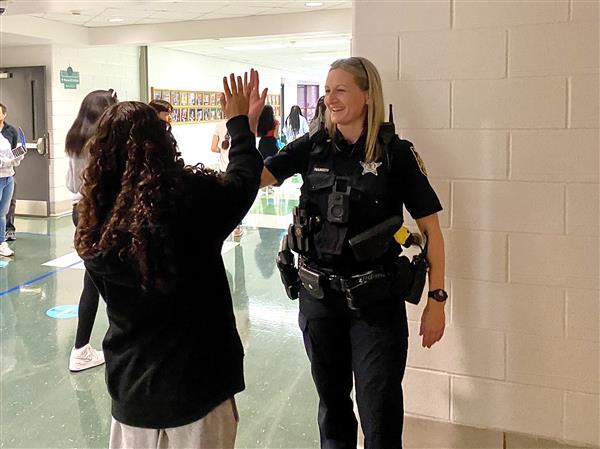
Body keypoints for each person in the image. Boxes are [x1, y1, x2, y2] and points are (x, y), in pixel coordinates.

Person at [260, 57, 447, 449]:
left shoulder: (395, 153)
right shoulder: (312, 147)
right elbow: (256, 177)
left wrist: (437, 299)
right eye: (327, 91)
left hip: (375, 305)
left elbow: (431, 230)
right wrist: (242, 132)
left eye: (340, 90)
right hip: (318, 300)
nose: (331, 98)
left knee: (378, 410)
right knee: (332, 408)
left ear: (367, 95)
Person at [74, 69, 267, 449]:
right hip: (199, 386)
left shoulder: (91, 217)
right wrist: (241, 125)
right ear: (162, 144)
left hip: (132, 393)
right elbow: (244, 181)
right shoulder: (189, 201)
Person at [66, 89, 119, 372]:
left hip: (81, 213)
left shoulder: (75, 141)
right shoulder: (106, 141)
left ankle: (81, 348)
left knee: (94, 279)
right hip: (105, 212)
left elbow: (72, 187)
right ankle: (118, 344)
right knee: (112, 280)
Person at [211, 121, 244, 239]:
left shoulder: (219, 125)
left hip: (222, 168)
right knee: (237, 199)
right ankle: (237, 227)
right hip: (235, 167)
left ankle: (223, 226)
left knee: (223, 198)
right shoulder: (242, 125)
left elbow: (213, 148)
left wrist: (223, 150)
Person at [0, 102, 23, 257]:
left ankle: (2, 243)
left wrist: (18, 157)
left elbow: (13, 153)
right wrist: (7, 161)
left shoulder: (10, 131)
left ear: (4, 114)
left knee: (3, 212)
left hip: (9, 176)